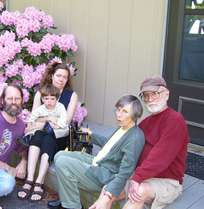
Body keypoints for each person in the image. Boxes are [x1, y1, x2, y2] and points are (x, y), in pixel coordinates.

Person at [48, 95, 145, 209]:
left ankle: (71, 206)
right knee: (60, 155)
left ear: (135, 115)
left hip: (103, 175)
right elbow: (109, 144)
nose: (119, 114)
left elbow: (125, 171)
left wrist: (110, 192)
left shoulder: (134, 137)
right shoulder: (123, 127)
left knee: (63, 162)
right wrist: (90, 135)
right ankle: (68, 199)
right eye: (118, 110)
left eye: (124, 111)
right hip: (98, 161)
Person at [122, 76, 189, 209]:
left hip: (168, 182)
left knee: (139, 192)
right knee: (111, 187)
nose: (150, 99)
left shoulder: (175, 120)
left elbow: (161, 156)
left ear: (166, 94)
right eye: (146, 96)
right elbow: (128, 145)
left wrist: (137, 178)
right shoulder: (146, 123)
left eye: (155, 94)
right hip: (144, 176)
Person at [17, 62, 78, 201]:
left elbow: (65, 123)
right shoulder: (41, 93)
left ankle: (39, 181)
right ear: (51, 76)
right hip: (42, 133)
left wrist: (44, 120)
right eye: (58, 75)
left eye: (65, 77)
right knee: (40, 135)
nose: (61, 79)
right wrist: (49, 118)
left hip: (60, 137)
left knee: (47, 137)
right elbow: (33, 121)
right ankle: (31, 179)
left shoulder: (71, 95)